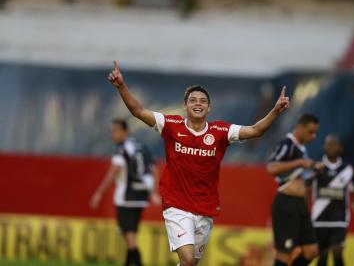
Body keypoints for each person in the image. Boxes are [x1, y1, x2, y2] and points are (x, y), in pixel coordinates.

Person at [107, 61, 290, 266]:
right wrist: (121, 86)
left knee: (190, 263)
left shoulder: (221, 132)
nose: (198, 103)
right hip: (176, 204)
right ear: (185, 105)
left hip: (205, 207)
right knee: (186, 258)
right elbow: (138, 111)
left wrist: (275, 111)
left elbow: (256, 130)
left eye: (203, 101)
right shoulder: (171, 125)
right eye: (193, 100)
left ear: (209, 107)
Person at [90, 118, 160, 266]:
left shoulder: (121, 149)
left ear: (125, 131)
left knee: (129, 237)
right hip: (141, 196)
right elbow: (154, 169)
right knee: (131, 234)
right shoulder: (141, 146)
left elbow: (113, 171)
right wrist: (153, 193)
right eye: (111, 131)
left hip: (126, 197)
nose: (112, 134)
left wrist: (99, 193)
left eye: (115, 130)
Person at [266, 113, 322, 266]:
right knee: (284, 253)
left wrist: (313, 170)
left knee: (311, 250)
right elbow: (271, 168)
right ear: (300, 127)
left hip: (299, 205)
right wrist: (300, 162)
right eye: (310, 132)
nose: (314, 136)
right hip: (286, 203)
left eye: (315, 132)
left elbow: (299, 176)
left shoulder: (302, 149)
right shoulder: (287, 144)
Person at [310, 134, 354, 266]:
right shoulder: (316, 167)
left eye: (334, 144)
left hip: (339, 219)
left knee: (337, 252)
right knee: (322, 255)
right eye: (328, 143)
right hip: (319, 219)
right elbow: (306, 189)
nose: (330, 146)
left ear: (340, 148)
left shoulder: (347, 168)